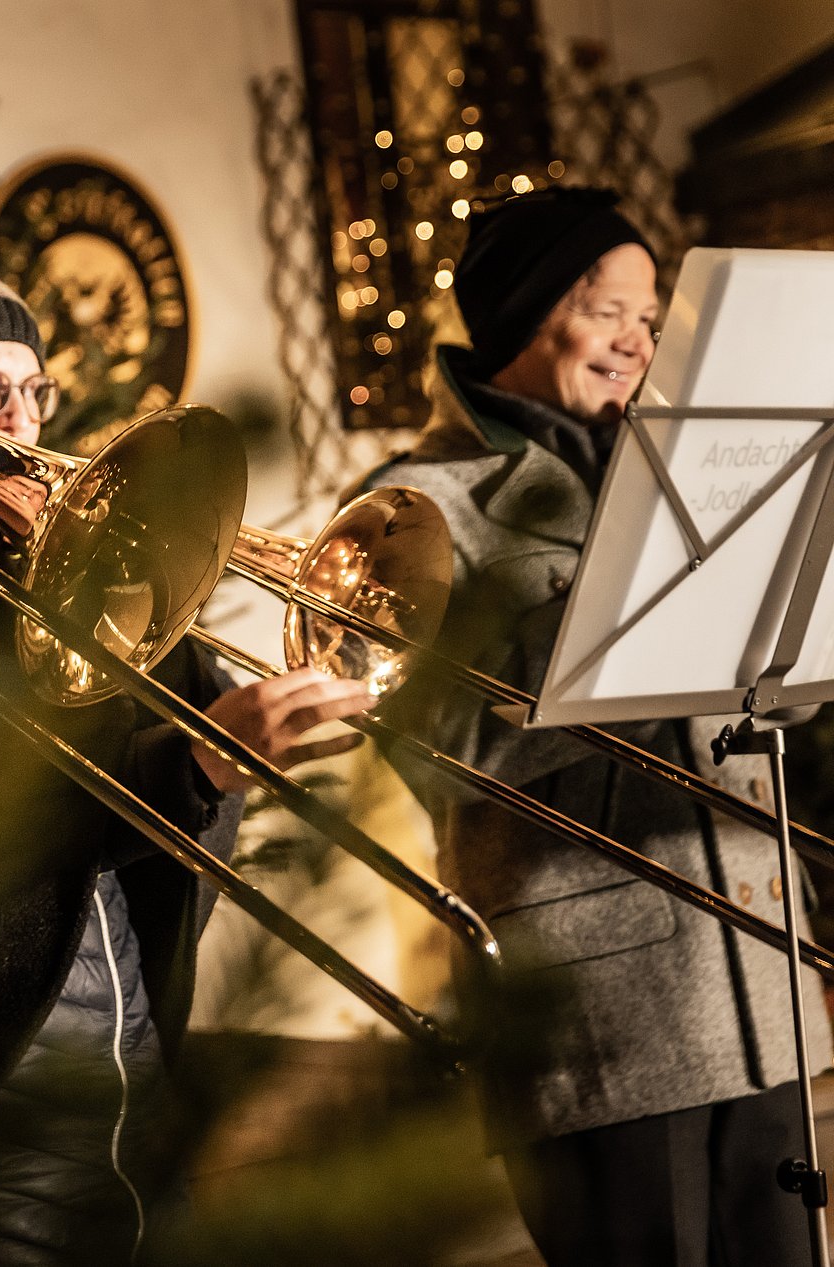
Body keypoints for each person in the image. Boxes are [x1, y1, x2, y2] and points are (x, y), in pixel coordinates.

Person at [0, 244, 376, 1265]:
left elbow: (171, 781)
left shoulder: (47, 570)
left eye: (32, 389)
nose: (20, 418)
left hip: (133, 1050)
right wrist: (201, 763)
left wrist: (171, 619)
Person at [366, 185, 833, 1265]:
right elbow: (444, 750)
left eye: (652, 319)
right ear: (532, 315)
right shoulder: (421, 502)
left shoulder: (684, 463)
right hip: (604, 1019)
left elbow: (777, 698)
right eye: (611, 311)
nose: (640, 342)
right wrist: (633, 598)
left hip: (762, 976)